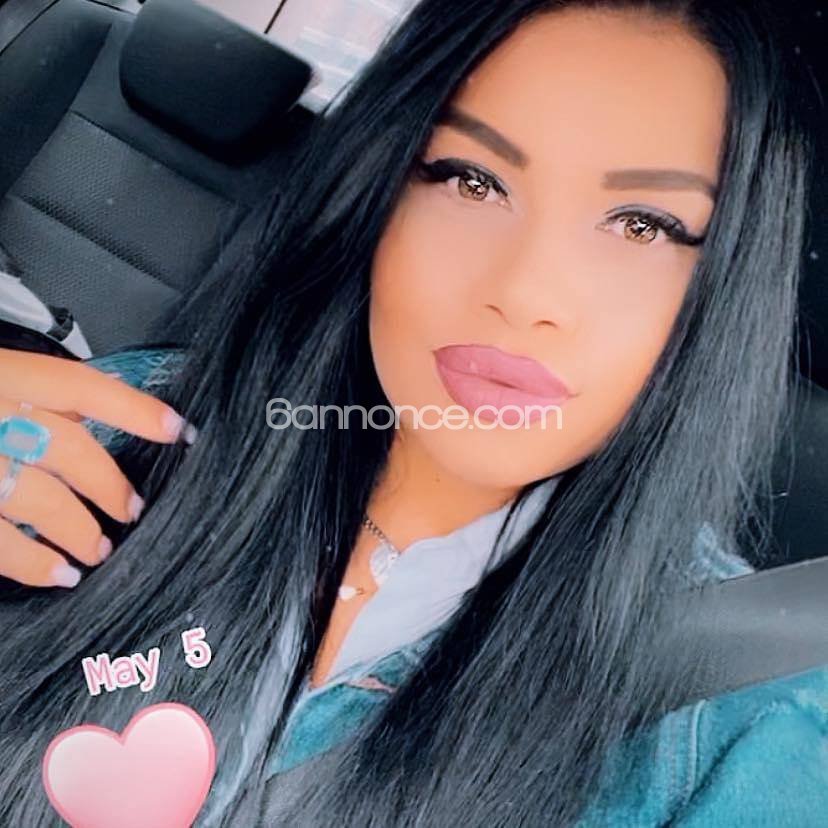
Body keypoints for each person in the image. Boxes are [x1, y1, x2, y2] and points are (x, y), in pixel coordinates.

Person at [0, 0, 822, 824]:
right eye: (472, 180)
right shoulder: (107, 433)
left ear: (729, 281)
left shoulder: (746, 726)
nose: (524, 292)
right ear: (380, 190)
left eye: (643, 226)